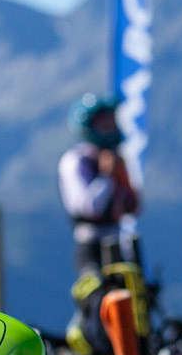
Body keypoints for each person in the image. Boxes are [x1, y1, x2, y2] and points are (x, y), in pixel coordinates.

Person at [57, 93, 139, 276]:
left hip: (119, 244)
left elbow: (133, 205)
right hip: (91, 248)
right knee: (99, 300)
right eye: (105, 123)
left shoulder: (114, 157)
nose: (111, 127)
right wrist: (107, 177)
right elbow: (88, 207)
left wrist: (121, 176)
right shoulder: (76, 161)